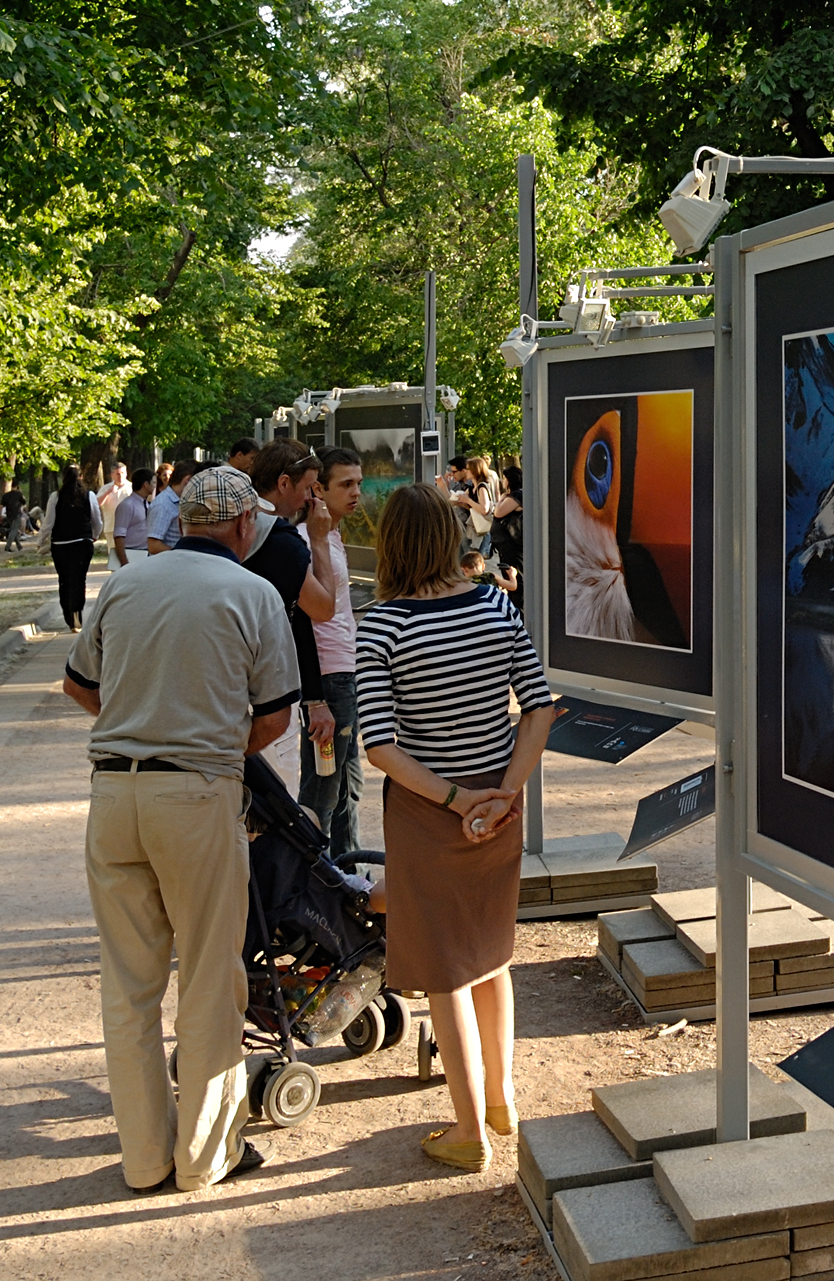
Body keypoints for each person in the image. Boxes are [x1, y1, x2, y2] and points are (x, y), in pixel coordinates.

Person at [62, 466, 296, 1195]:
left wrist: (140, 725)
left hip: (115, 792)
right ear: (242, 527)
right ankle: (204, 1153)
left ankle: (144, 1156)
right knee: (206, 976)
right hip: (195, 793)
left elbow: (80, 682)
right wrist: (208, 746)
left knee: (128, 985)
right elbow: (276, 715)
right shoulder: (254, 593)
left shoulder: (128, 581)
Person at [357, 483, 556, 1173]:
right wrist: (504, 791)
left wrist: (454, 797)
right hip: (498, 813)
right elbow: (538, 706)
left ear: (391, 546)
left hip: (428, 815)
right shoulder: (495, 604)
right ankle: (501, 1099)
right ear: (448, 539)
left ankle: (469, 1129)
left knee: (446, 970)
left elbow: (378, 743)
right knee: (492, 954)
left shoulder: (381, 625)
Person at [241, 439, 340, 783]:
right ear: (284, 483)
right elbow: (322, 608)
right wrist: (319, 539)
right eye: (309, 487)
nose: (312, 499)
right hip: (268, 693)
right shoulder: (280, 540)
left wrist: (314, 698)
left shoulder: (237, 529)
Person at [299, 447, 366, 857]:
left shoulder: (329, 535)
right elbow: (306, 617)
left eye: (359, 483)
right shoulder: (310, 540)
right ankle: (315, 885)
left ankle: (346, 873)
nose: (356, 492)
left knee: (346, 786)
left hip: (344, 672)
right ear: (318, 488)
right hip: (328, 676)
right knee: (323, 790)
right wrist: (316, 696)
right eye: (346, 484)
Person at [36, 464, 102, 631]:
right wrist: (94, 534)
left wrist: (40, 540)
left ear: (63, 478)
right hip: (82, 542)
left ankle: (68, 612)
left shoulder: (56, 497)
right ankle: (77, 612)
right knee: (80, 579)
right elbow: (97, 520)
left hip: (61, 545)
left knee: (64, 580)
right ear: (80, 477)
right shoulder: (89, 495)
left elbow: (48, 522)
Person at [146, 459, 202, 555]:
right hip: (166, 566)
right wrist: (182, 555)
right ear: (187, 480)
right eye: (199, 483)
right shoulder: (163, 504)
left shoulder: (178, 501)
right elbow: (153, 546)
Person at [489, 465, 523, 606]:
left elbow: (498, 512)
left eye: (504, 478)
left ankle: (517, 605)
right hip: (504, 544)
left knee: (514, 575)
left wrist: (502, 499)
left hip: (511, 545)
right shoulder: (513, 495)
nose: (502, 481)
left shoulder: (516, 495)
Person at [111, 473, 156, 567]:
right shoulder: (127, 505)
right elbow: (119, 535)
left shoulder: (147, 504)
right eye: (153, 482)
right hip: (131, 553)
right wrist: (124, 562)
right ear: (145, 484)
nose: (155, 486)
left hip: (145, 554)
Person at [96, 462, 132, 542]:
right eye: (118, 474)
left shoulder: (132, 488)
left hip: (128, 528)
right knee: (112, 553)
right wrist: (108, 493)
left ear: (126, 473)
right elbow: (96, 504)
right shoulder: (105, 488)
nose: (120, 476)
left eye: (122, 473)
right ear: (112, 475)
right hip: (111, 528)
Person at [0, 480, 28, 551]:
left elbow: (1, 505)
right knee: (14, 530)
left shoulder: (6, 495)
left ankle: (19, 546)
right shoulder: (18, 494)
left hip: (9, 515)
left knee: (13, 530)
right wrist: (21, 493)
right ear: (17, 486)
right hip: (17, 514)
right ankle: (8, 546)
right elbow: (24, 502)